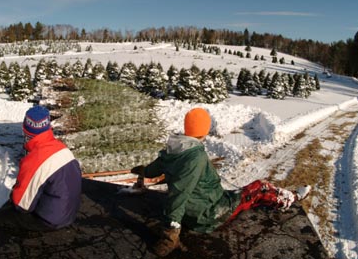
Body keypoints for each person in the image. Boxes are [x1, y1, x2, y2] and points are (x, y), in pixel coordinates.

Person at [131, 107, 311, 257]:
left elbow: (155, 169)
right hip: (208, 215)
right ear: (204, 130)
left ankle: (280, 197)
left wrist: (144, 171)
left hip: (200, 205)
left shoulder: (175, 149)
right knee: (259, 187)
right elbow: (179, 194)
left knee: (243, 194)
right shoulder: (195, 157)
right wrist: (171, 232)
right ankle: (291, 198)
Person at [0, 105, 82, 234]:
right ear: (48, 127)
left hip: (51, 220)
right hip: (69, 211)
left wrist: (15, 193)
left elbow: (22, 205)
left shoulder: (35, 159)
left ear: (25, 130)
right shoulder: (61, 148)